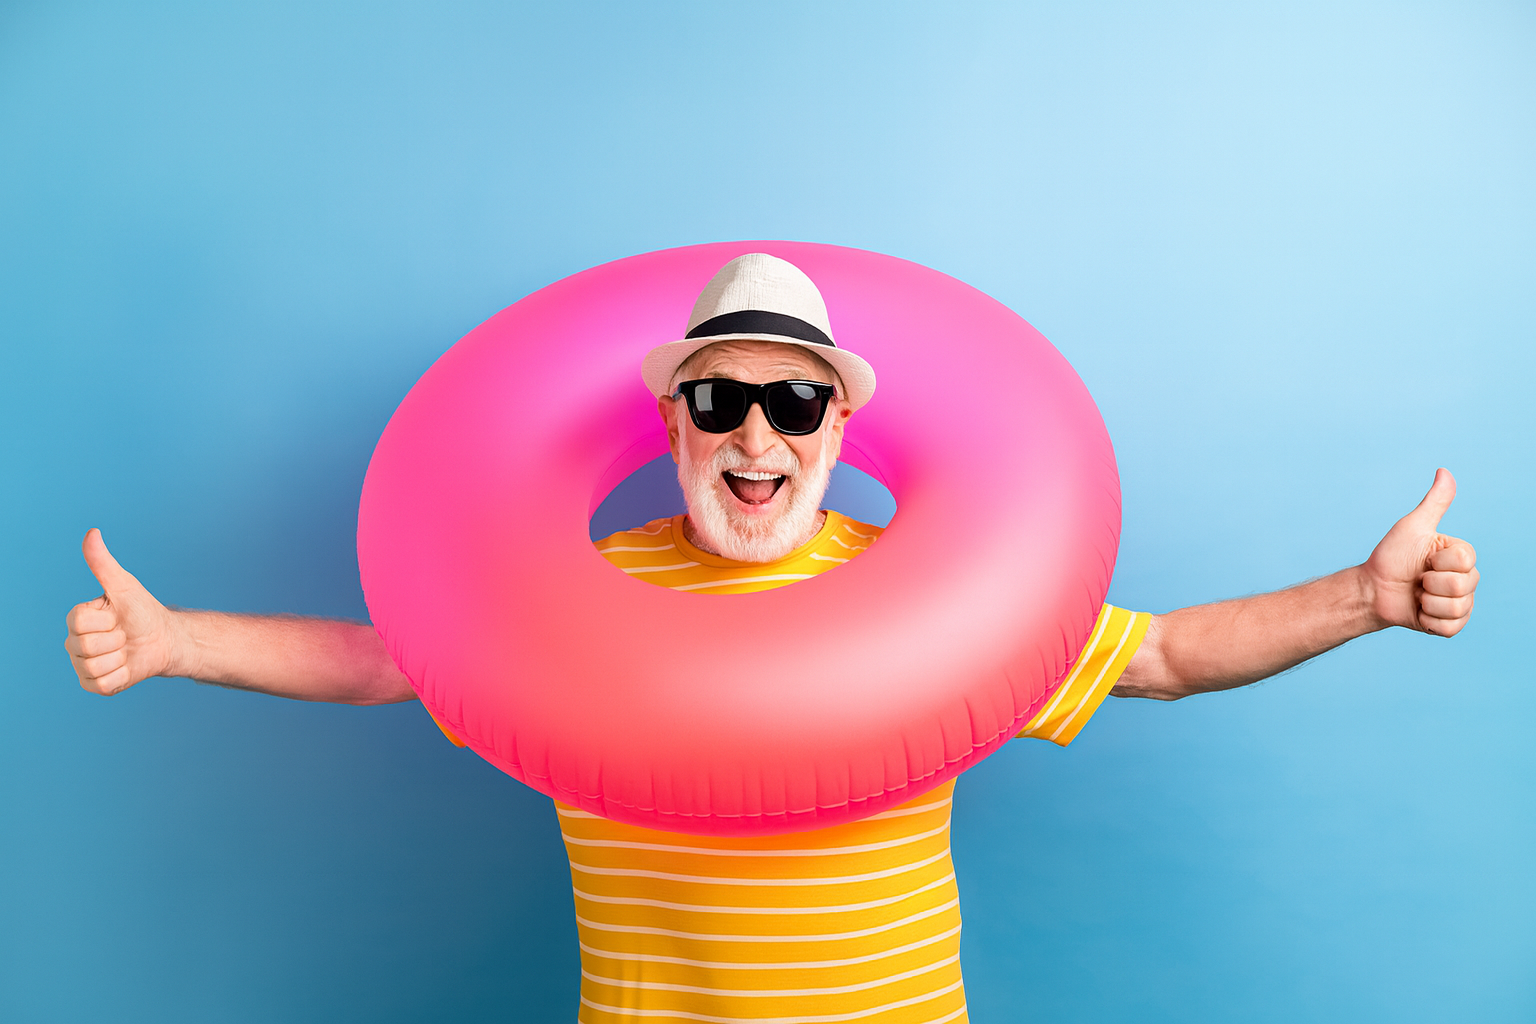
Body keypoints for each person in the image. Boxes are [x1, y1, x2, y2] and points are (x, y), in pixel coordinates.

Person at [64, 254, 1479, 1023]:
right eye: (723, 400)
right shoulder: (575, 594)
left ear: (837, 433)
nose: (758, 434)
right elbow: (391, 660)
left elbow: (1162, 654)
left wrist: (1365, 595)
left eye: (795, 407)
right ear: (673, 422)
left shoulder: (937, 595)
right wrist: (180, 639)